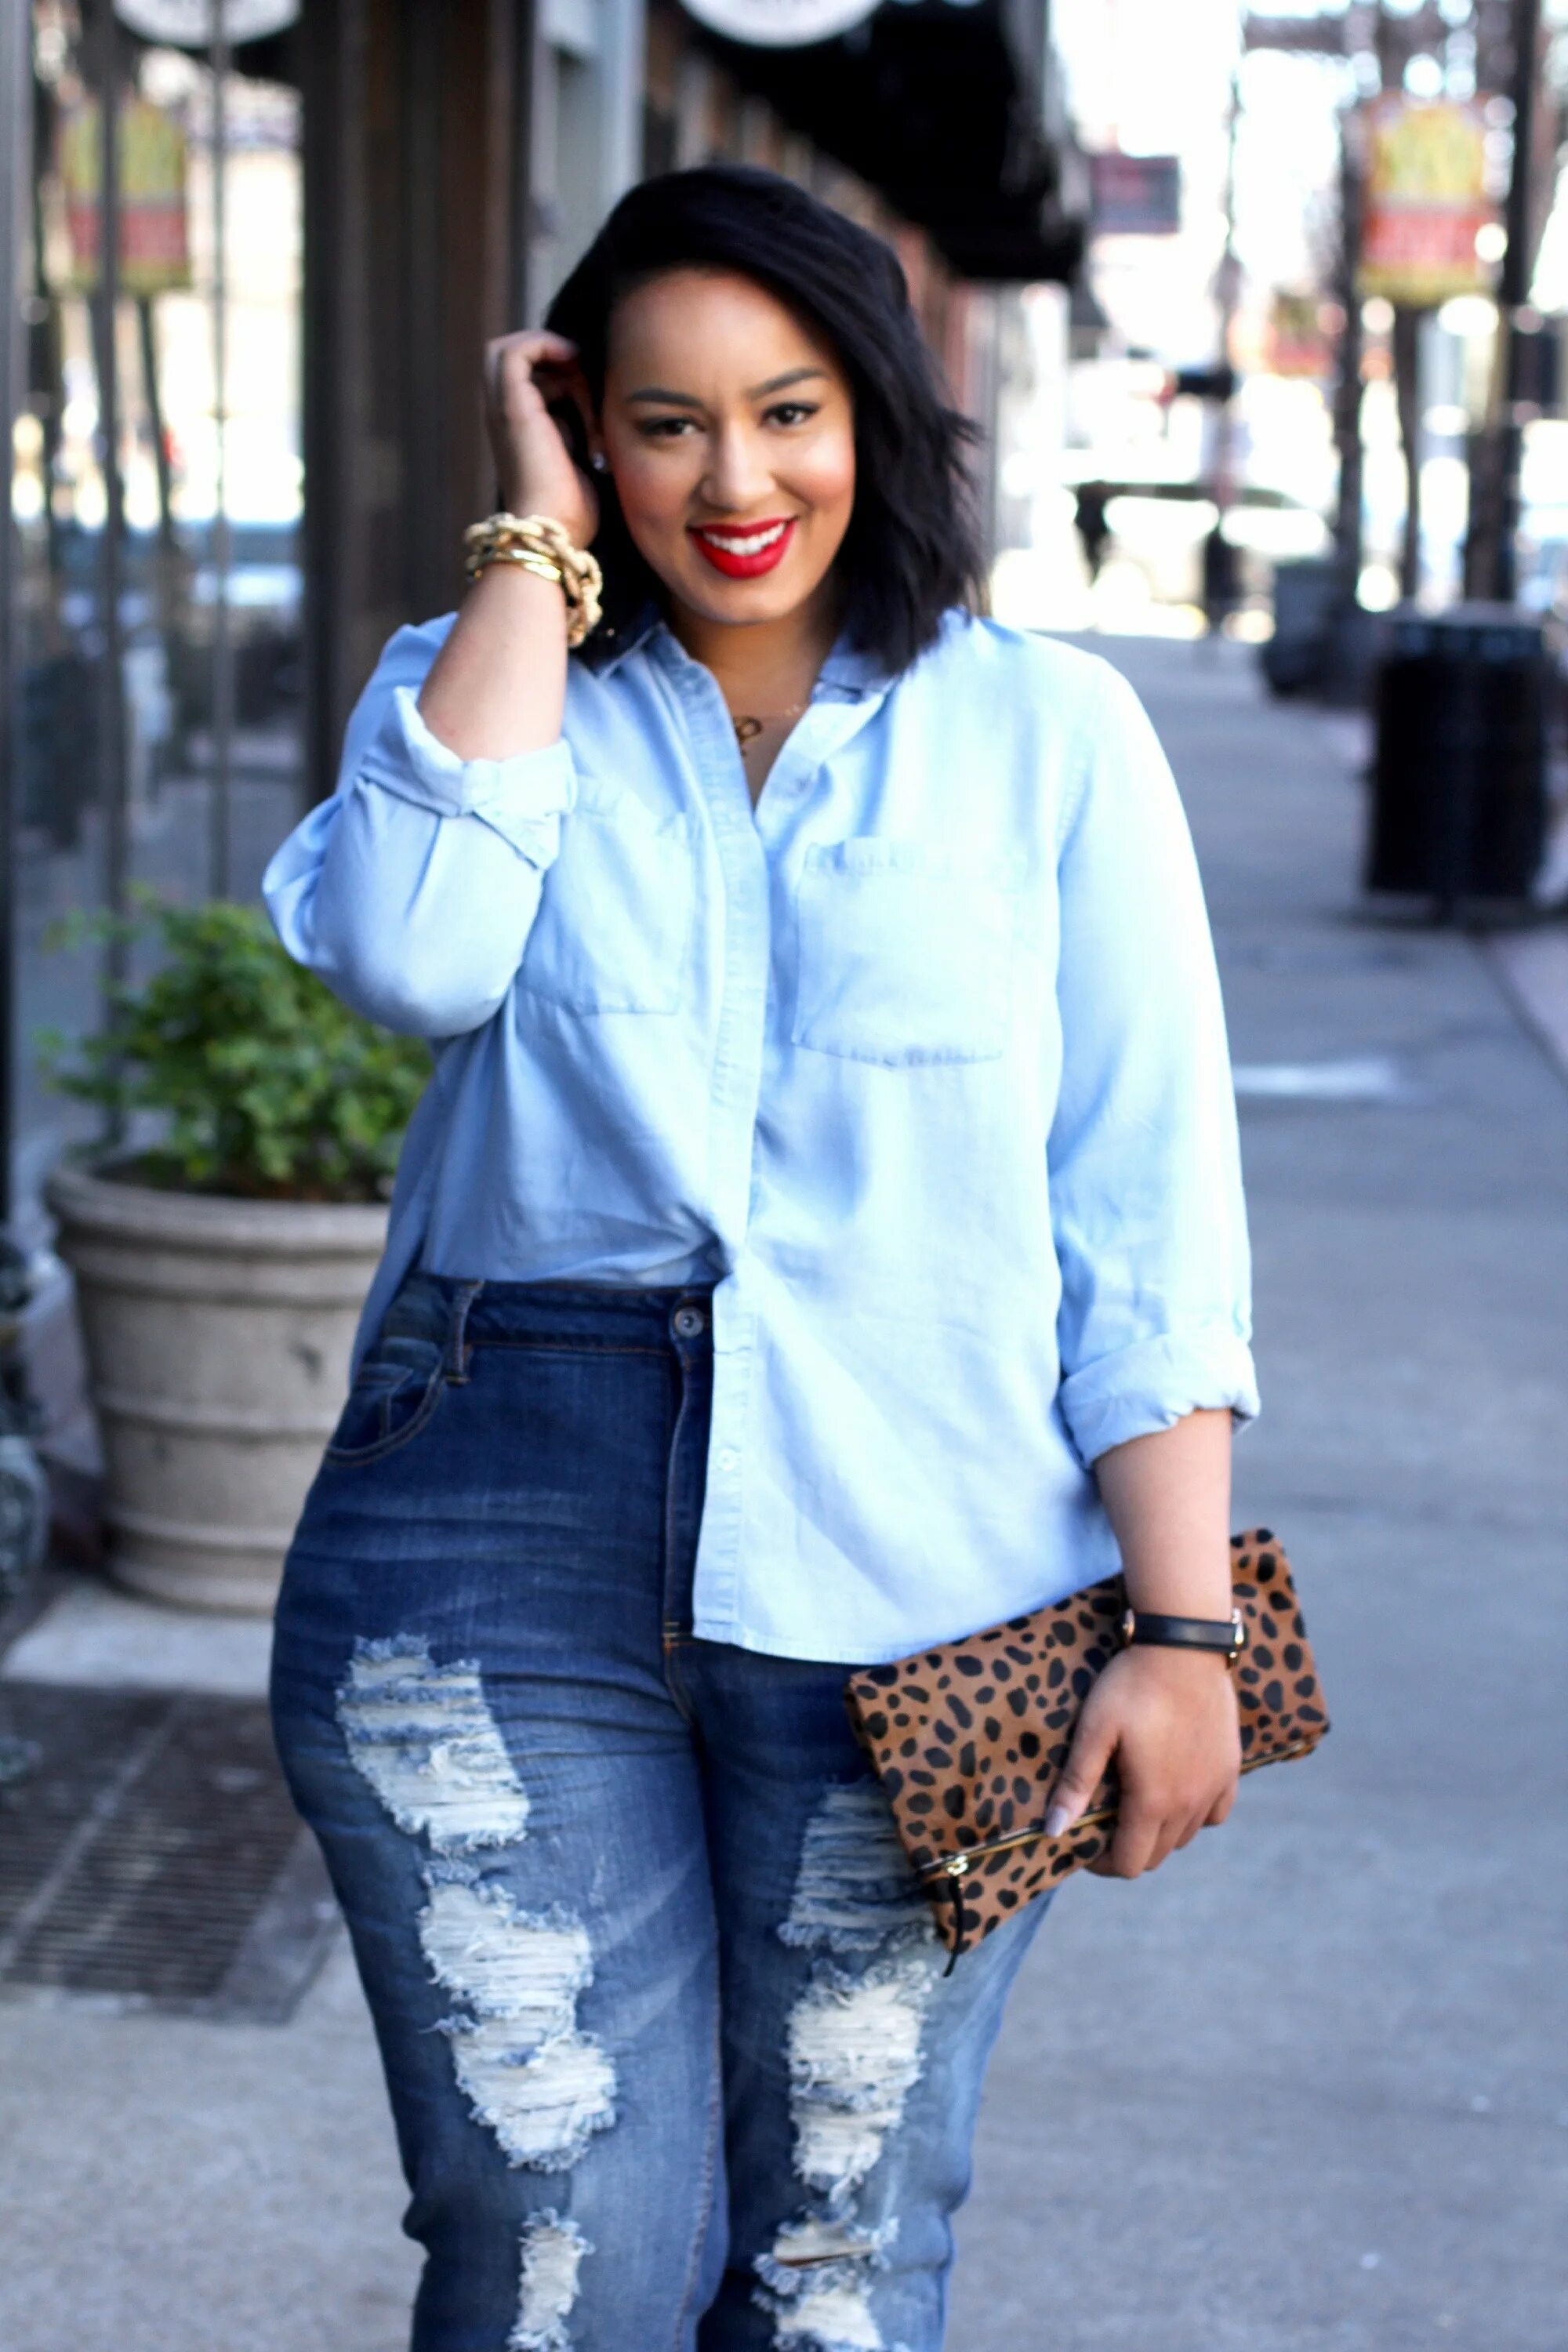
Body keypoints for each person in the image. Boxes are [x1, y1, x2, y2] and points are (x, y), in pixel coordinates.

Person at [263, 164, 1258, 2352]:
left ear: (876, 416)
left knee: (835, 2270)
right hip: (493, 1535)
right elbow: (411, 957)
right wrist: (530, 551)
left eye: (789, 411)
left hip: (929, 1559)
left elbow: (1144, 1200)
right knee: (564, 2259)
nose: (736, 481)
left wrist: (1185, 1624)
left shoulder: (1048, 733)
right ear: (588, 435)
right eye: (665, 422)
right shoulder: (484, 687)